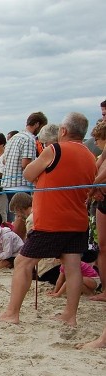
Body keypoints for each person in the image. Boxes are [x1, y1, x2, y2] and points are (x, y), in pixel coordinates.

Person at [0, 112, 96, 326]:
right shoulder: (90, 155)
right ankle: (69, 316)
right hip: (78, 220)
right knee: (72, 266)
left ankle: (12, 313)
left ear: (63, 131)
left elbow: (28, 173)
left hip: (52, 220)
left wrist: (45, 155)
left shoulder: (55, 149)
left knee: (22, 262)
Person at [0, 111, 48, 219]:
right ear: (37, 124)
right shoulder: (29, 139)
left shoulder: (14, 138)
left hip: (8, 183)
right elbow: (26, 164)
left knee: (14, 217)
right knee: (23, 218)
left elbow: (4, 161)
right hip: (21, 184)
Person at [87, 119, 106, 302]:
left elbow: (99, 175)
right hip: (101, 200)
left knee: (103, 248)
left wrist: (93, 188)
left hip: (101, 197)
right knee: (102, 247)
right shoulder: (103, 154)